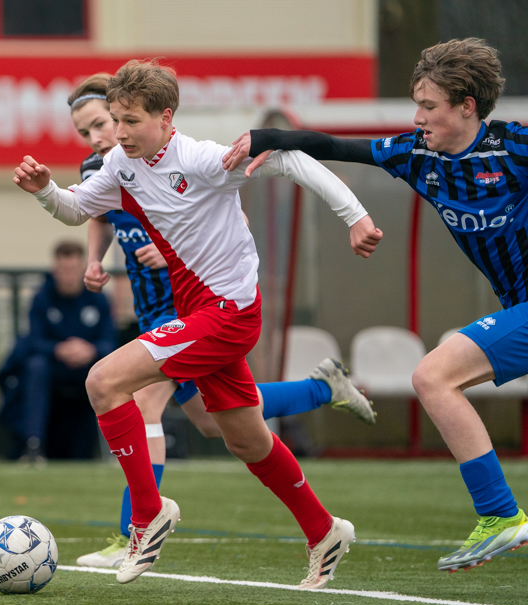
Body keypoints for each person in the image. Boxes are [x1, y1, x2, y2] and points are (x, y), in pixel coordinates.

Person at [13, 59, 381, 587]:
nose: (118, 132)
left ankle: (147, 516)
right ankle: (325, 530)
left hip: (229, 313)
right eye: (114, 119)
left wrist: (357, 218)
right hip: (198, 314)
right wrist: (46, 190)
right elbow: (76, 210)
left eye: (130, 121)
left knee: (104, 381)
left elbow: (293, 161)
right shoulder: (120, 164)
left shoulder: (205, 159)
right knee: (246, 442)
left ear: (166, 118)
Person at [222, 37, 528, 573]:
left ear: (467, 107)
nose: (418, 117)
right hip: (518, 306)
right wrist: (267, 139)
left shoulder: (516, 148)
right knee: (439, 380)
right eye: (416, 104)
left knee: (434, 376)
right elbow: (337, 146)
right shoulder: (417, 156)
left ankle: (501, 516)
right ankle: (500, 516)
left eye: (429, 106)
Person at [8, 240, 118, 462]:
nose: (68, 275)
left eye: (73, 269)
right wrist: (59, 349)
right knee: (35, 367)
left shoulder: (99, 299)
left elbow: (111, 342)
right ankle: (33, 446)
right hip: (54, 367)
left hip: (89, 369)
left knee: (110, 373)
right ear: (54, 269)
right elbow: (33, 341)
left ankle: (116, 451)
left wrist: (90, 350)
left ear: (83, 270)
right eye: (63, 269)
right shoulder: (41, 298)